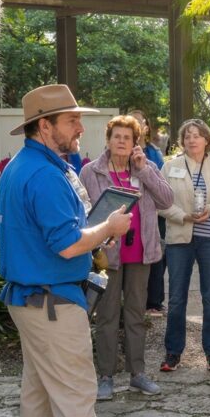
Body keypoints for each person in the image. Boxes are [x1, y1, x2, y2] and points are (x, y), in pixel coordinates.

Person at [0, 84, 146, 417]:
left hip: (32, 298)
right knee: (77, 394)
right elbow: (66, 245)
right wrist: (109, 228)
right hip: (52, 301)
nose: (81, 127)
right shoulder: (45, 173)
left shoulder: (26, 166)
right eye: (71, 120)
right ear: (45, 126)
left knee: (39, 392)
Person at [81, 115, 173, 400]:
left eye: (127, 138)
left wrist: (145, 171)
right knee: (107, 315)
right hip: (107, 254)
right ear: (108, 140)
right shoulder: (90, 172)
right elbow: (84, 212)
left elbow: (167, 200)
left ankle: (138, 374)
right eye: (116, 136)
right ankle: (106, 376)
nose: (121, 142)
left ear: (136, 143)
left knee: (135, 315)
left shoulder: (147, 167)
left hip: (141, 252)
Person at [159, 118, 210, 372]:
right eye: (187, 136)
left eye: (196, 135)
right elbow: (160, 202)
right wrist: (182, 215)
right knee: (177, 298)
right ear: (182, 141)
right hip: (179, 237)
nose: (191, 140)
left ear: (207, 139)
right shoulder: (170, 166)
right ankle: (173, 352)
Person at [128, 109, 168, 318]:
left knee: (156, 255)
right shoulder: (119, 151)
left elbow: (160, 183)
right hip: (130, 214)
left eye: (139, 122)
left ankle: (154, 301)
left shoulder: (153, 152)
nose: (135, 125)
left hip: (154, 212)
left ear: (145, 127)